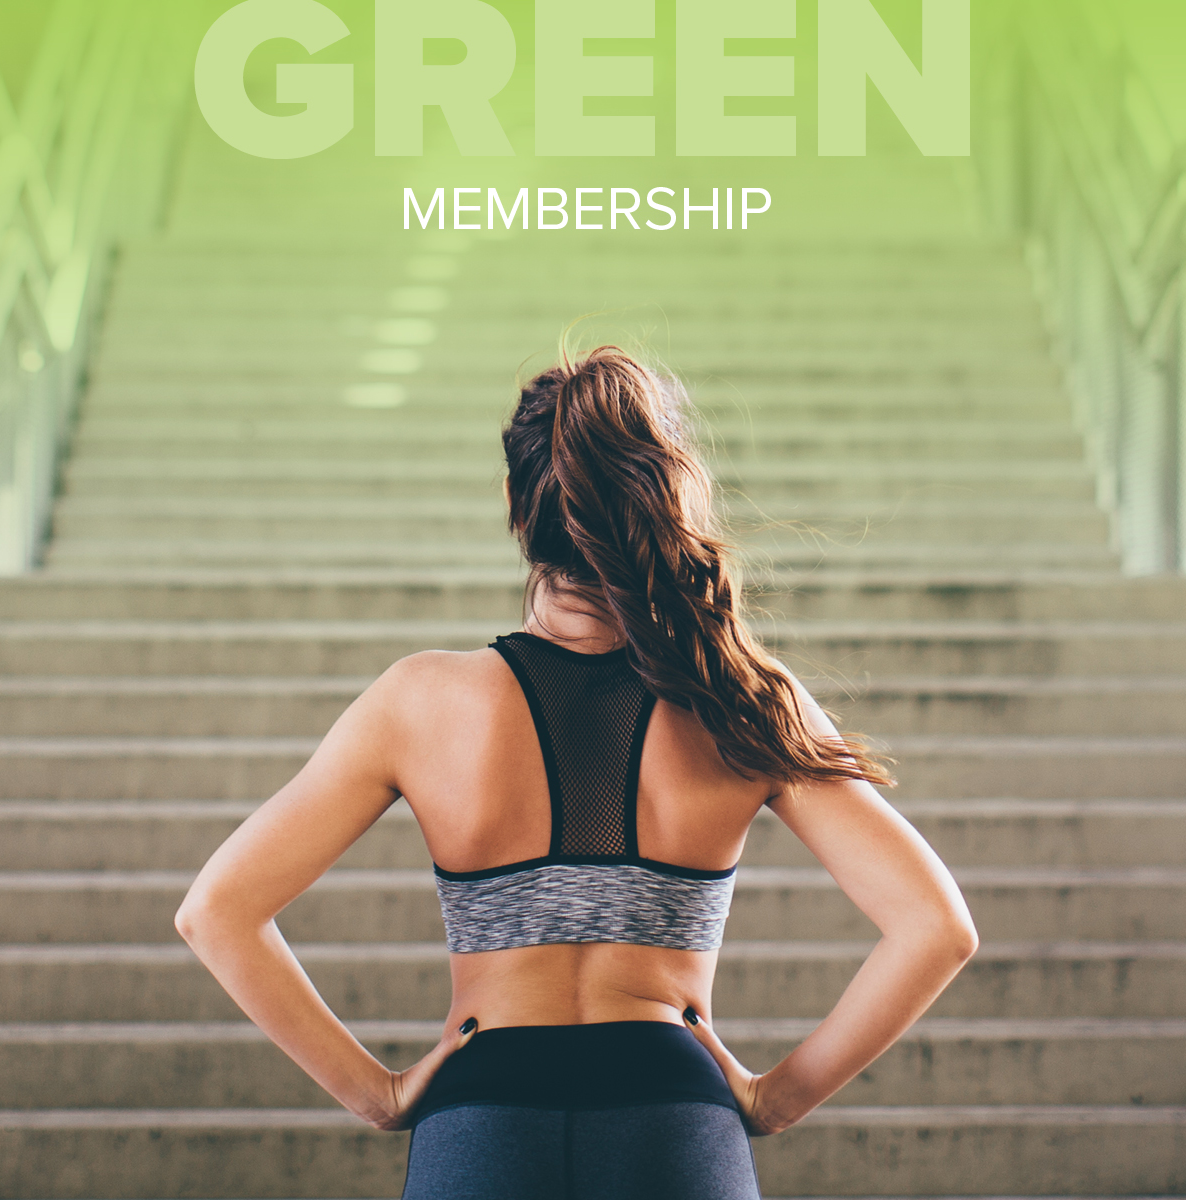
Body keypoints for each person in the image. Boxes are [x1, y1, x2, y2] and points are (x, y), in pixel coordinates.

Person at [175, 346, 978, 1199]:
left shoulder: (418, 702)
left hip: (481, 1124)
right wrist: (774, 1099)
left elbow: (216, 911)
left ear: (525, 516)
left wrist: (378, 1094)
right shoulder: (737, 697)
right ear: (666, 499)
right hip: (675, 1123)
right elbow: (937, 928)